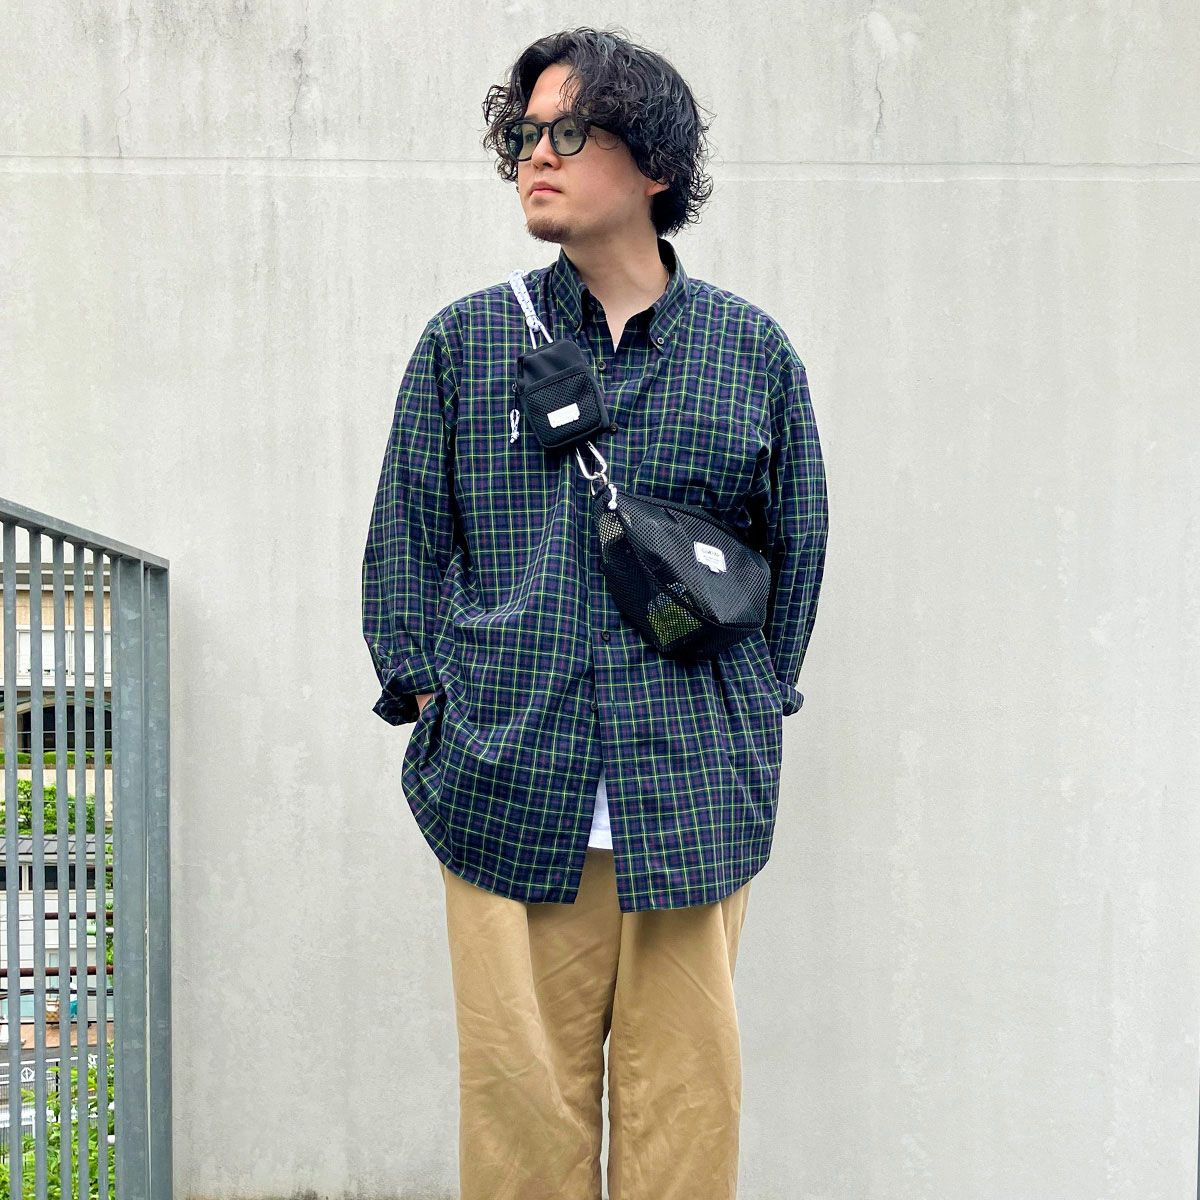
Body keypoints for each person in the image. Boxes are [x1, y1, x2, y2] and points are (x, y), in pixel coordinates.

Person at [361, 25, 829, 1200]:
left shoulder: (749, 354)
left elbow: (796, 546)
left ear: (654, 163)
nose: (537, 155)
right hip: (512, 789)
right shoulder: (469, 342)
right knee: (520, 1128)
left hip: (692, 798)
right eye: (525, 134)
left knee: (686, 1125)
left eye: (570, 131)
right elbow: (407, 534)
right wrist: (432, 693)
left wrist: (752, 707)